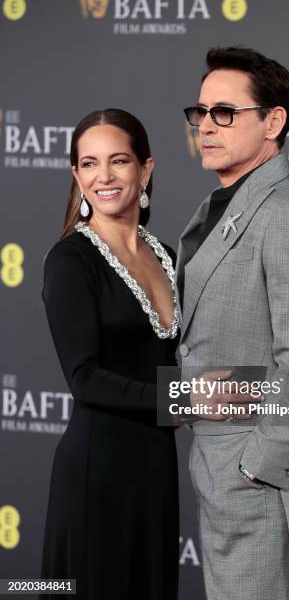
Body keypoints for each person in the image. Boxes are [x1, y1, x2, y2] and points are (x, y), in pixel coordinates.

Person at [177, 47, 289, 600]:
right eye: (200, 112)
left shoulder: (288, 214)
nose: (206, 127)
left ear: (274, 122)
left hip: (263, 485)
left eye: (225, 112)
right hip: (220, 469)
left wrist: (259, 467)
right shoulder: (217, 205)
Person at [40, 108, 179, 600]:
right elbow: (84, 377)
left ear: (146, 168)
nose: (104, 176)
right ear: (76, 175)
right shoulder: (71, 260)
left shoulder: (166, 254)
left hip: (156, 473)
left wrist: (261, 392)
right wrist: (182, 401)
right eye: (89, 164)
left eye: (118, 161)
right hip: (97, 476)